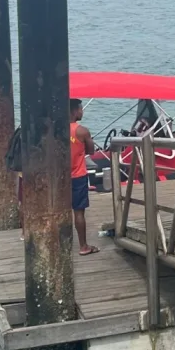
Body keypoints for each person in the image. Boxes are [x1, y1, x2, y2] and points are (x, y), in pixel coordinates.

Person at [69, 99, 99, 255]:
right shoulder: (82, 131)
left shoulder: (57, 129)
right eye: (81, 109)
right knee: (78, 212)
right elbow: (91, 150)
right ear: (75, 111)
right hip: (77, 175)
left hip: (61, 177)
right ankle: (83, 246)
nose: (82, 112)